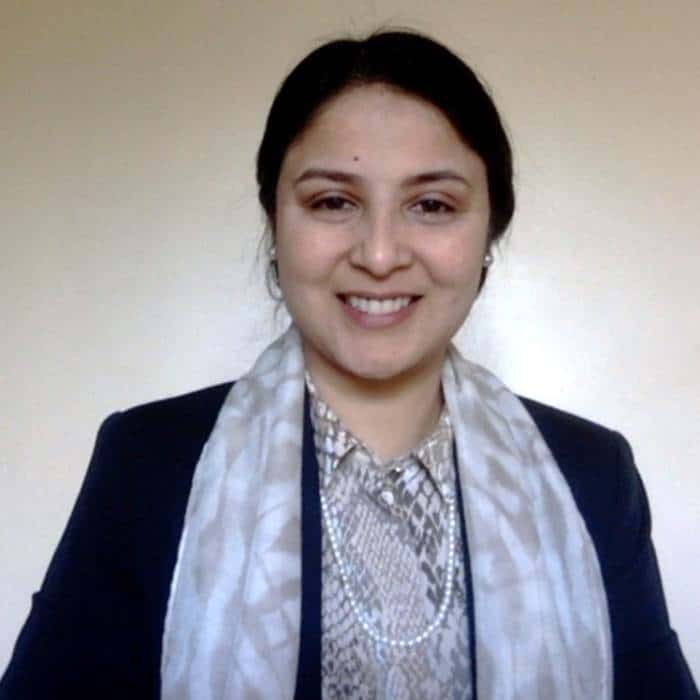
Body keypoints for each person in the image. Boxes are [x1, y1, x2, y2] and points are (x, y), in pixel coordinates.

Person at [0, 29, 697, 700]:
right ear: (275, 224)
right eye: (333, 202)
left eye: (432, 204)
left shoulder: (591, 474)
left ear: (490, 231)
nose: (380, 254)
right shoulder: (150, 462)